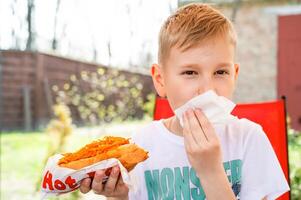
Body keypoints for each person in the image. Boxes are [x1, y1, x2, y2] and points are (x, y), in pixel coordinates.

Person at [79, 3, 290, 200]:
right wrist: (119, 197)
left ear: (234, 75)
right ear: (161, 80)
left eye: (220, 72)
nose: (207, 89)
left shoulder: (248, 138)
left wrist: (211, 172)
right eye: (190, 72)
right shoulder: (141, 145)